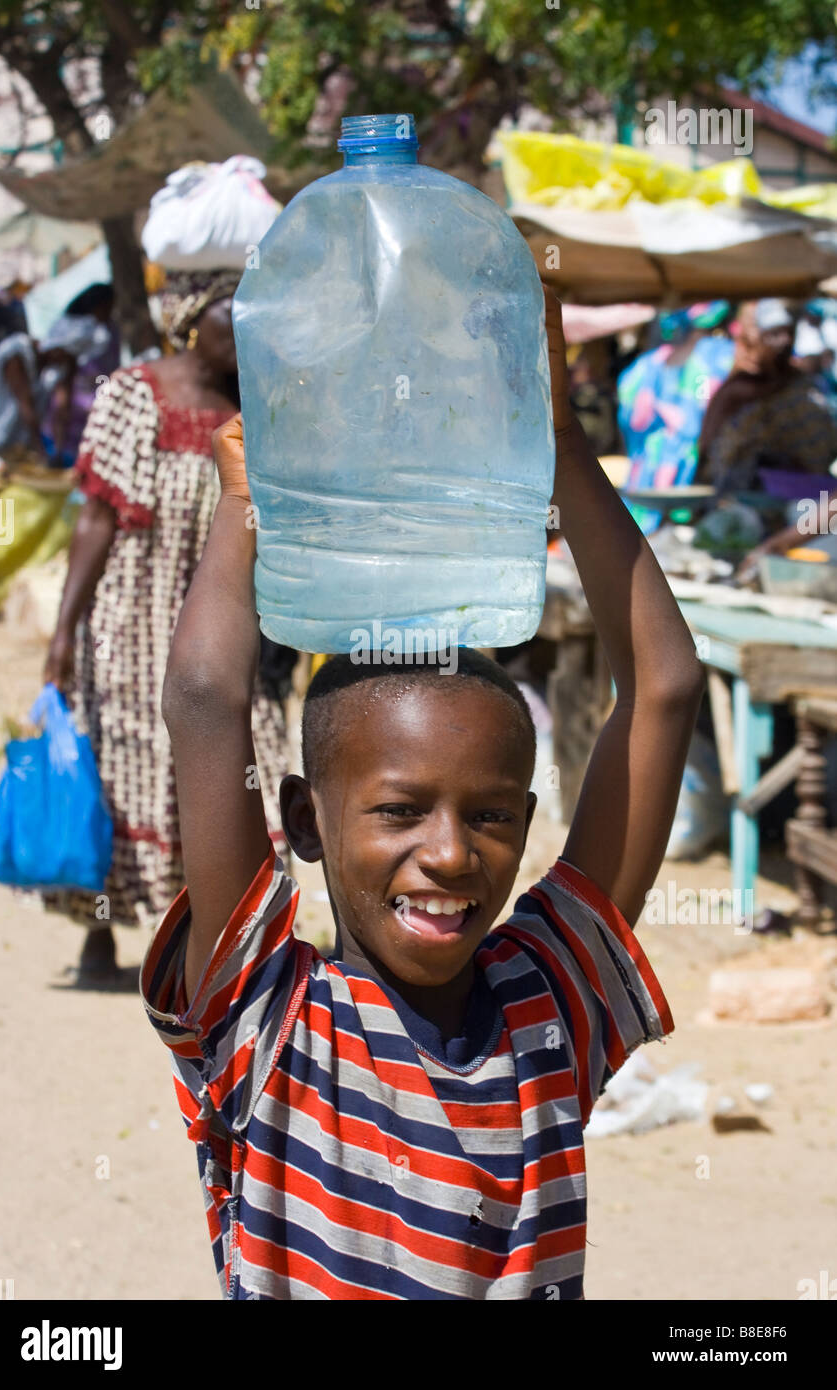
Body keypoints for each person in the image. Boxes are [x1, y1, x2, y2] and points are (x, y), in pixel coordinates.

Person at [140, 290, 703, 1300]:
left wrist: (560, 437)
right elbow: (206, 698)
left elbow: (658, 689)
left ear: (528, 824)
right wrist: (245, 499)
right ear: (306, 820)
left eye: (488, 814)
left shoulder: (550, 1004)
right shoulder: (269, 1023)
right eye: (399, 810)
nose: (449, 853)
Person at [43, 269, 290, 982]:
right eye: (231, 322)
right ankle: (101, 939)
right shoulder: (132, 393)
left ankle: (214, 943)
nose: (247, 339)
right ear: (189, 322)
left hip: (227, 622)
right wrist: (65, 630)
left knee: (242, 763)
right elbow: (95, 516)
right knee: (126, 772)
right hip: (132, 624)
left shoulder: (256, 411)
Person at [617, 301, 734, 531]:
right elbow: (709, 414)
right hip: (686, 485)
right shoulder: (713, 360)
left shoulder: (645, 365)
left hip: (643, 485)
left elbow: (628, 421)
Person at [698, 299, 837, 493]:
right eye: (774, 334)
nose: (784, 341)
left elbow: (819, 443)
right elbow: (713, 445)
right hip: (744, 490)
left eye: (788, 332)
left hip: (804, 490)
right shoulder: (739, 387)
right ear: (756, 338)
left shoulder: (798, 384)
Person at [0, 320, 90, 465]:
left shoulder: (60, 363)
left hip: (16, 439)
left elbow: (62, 408)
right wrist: (42, 455)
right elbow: (26, 407)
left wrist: (58, 451)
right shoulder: (16, 353)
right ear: (56, 349)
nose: (64, 363)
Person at [40, 283, 121, 467]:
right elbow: (64, 390)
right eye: (107, 305)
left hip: (99, 405)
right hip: (73, 416)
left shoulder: (111, 330)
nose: (110, 310)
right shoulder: (77, 331)